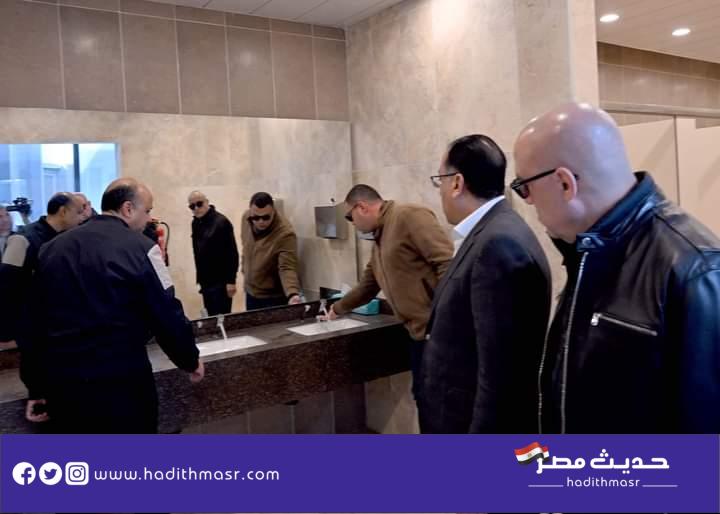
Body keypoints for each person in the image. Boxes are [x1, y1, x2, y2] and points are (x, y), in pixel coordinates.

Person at [513, 102, 720, 433]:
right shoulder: (588, 251)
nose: (529, 200)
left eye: (524, 187)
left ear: (565, 184)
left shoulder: (696, 269)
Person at [23, 178, 204, 433]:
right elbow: (166, 312)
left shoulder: (51, 249)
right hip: (121, 387)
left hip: (64, 389)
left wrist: (35, 387)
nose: (149, 219)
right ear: (128, 209)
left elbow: (34, 323)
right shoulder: (142, 249)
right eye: (147, 211)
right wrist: (189, 359)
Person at [421, 134, 551, 433]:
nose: (440, 192)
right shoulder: (490, 232)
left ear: (457, 183)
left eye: (440, 180)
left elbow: (501, 376)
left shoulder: (498, 243)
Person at [326, 184, 454, 418]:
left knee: (442, 408)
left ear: (361, 207)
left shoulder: (408, 216)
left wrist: (444, 319)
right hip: (417, 335)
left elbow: (447, 263)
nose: (352, 224)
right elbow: (367, 286)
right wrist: (336, 308)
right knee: (425, 401)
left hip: (438, 334)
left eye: (350, 217)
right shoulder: (380, 239)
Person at [0, 193, 84, 343]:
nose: (81, 218)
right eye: (78, 213)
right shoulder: (22, 239)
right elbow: (6, 287)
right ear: (63, 212)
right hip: (31, 330)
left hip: (58, 325)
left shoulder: (66, 238)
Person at [240, 192, 302, 310]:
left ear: (273, 211)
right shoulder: (246, 218)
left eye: (266, 217)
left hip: (272, 297)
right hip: (251, 292)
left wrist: (292, 294)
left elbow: (287, 267)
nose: (261, 221)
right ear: (250, 212)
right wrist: (244, 269)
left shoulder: (285, 233)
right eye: (256, 217)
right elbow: (245, 246)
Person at [189, 191, 240, 316]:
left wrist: (231, 281)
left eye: (199, 204)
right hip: (206, 282)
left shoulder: (221, 222)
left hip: (221, 283)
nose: (196, 208)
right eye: (192, 206)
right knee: (211, 319)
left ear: (207, 202)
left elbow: (232, 253)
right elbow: (197, 252)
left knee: (221, 319)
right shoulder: (196, 223)